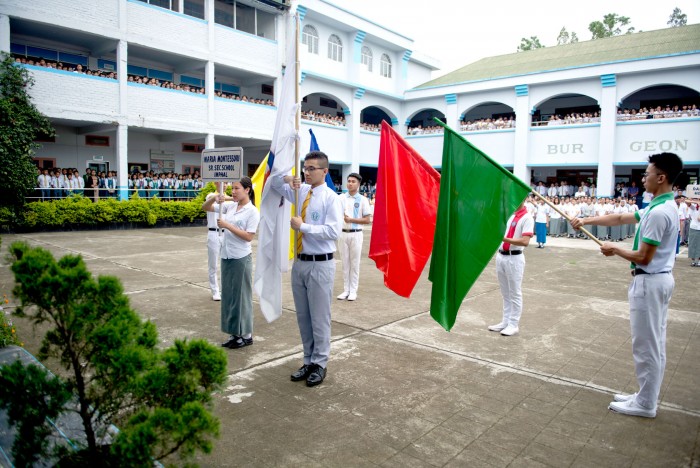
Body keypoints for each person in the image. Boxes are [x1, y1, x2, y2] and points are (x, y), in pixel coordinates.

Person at [571, 152, 683, 418]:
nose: (644, 178)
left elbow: (644, 256)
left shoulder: (660, 212)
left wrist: (615, 249)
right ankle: (646, 395)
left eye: (647, 174)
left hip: (650, 280)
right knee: (653, 342)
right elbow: (621, 218)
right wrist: (586, 221)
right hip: (656, 280)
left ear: (661, 177)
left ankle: (645, 404)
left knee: (646, 344)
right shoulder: (658, 207)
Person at [271, 151, 343, 387]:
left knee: (320, 317)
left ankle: (320, 363)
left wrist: (305, 227)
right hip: (300, 263)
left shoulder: (331, 198)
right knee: (303, 316)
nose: (306, 172)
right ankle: (308, 359)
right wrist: (285, 179)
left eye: (312, 168)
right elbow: (272, 181)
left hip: (321, 263)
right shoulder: (300, 191)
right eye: (305, 167)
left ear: (324, 171)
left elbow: (333, 231)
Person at [203, 178, 260, 349]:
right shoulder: (231, 206)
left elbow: (249, 236)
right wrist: (215, 198)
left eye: (237, 188)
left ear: (247, 190)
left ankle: (245, 334)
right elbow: (205, 208)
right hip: (227, 255)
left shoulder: (252, 211)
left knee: (241, 297)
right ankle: (236, 333)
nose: (233, 192)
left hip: (240, 257)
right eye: (233, 188)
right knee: (230, 297)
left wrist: (227, 225)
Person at [488, 202, 534, 336]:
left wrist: (504, 239)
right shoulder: (510, 216)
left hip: (514, 258)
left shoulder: (527, 218)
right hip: (501, 256)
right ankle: (505, 321)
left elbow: (525, 241)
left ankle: (513, 324)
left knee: (514, 292)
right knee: (505, 292)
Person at [337, 172, 372, 301]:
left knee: (354, 263)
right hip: (343, 234)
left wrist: (351, 220)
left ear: (358, 184)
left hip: (356, 234)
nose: (350, 183)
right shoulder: (340, 198)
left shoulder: (362, 200)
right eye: (349, 181)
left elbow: (367, 219)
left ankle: (353, 290)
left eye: (353, 181)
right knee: (344, 263)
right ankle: (346, 289)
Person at [202, 192, 225, 301]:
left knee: (227, 263)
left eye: (226, 183)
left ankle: (225, 289)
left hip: (226, 232)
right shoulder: (211, 196)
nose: (224, 185)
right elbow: (209, 201)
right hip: (213, 232)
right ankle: (215, 290)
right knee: (213, 264)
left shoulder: (229, 198)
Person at [688, 199, 700, 266]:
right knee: (692, 244)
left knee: (699, 245)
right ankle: (693, 260)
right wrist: (696, 202)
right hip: (693, 227)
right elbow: (687, 201)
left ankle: (698, 261)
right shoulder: (694, 207)